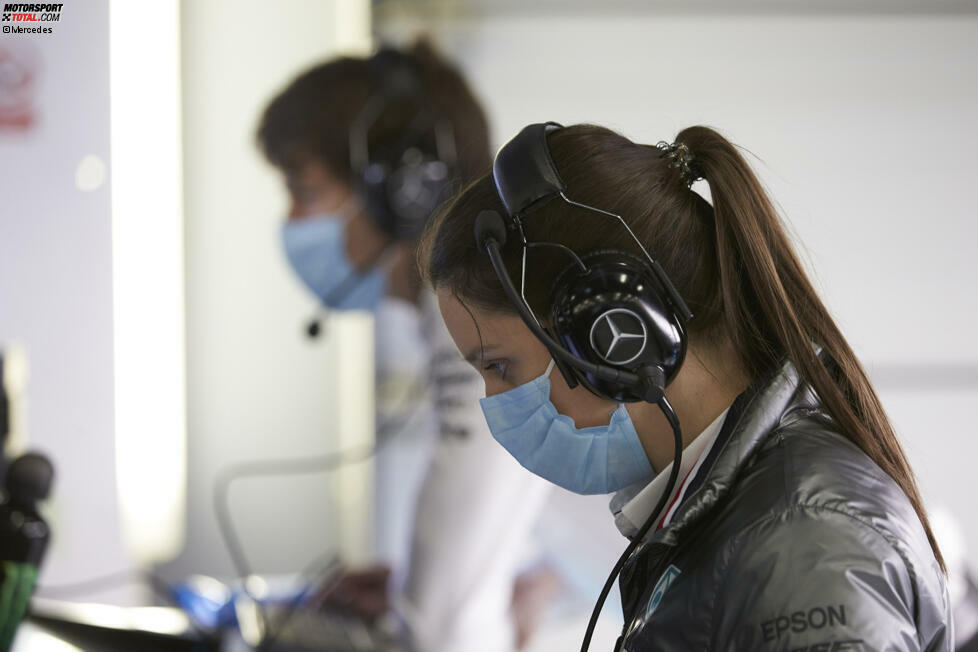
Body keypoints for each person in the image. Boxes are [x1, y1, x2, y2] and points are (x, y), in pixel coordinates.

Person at [419, 122, 951, 649]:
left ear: (614, 336)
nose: (494, 402)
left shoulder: (802, 544)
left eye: (500, 366)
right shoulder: (724, 514)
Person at [256, 42, 557, 651]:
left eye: (304, 190)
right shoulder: (489, 311)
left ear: (405, 191)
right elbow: (519, 572)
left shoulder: (483, 335)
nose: (289, 219)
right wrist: (406, 592)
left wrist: (417, 609)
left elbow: (444, 635)